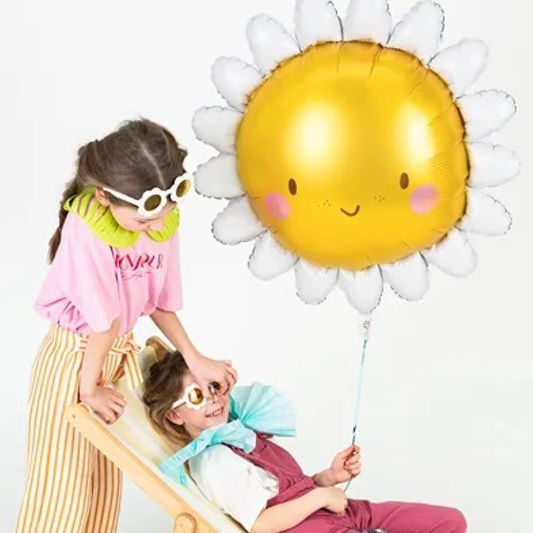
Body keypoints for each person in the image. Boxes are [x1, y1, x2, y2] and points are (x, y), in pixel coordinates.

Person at [15, 119, 237, 533]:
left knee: (102, 492)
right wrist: (88, 389)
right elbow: (105, 319)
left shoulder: (159, 218)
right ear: (103, 195)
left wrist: (195, 358)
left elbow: (158, 303)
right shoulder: (87, 228)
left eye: (162, 216)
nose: (154, 227)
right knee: (61, 494)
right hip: (74, 361)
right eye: (143, 221)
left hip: (113, 359)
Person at [144, 351, 467, 533]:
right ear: (174, 415)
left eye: (213, 386)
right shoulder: (214, 461)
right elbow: (261, 524)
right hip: (306, 529)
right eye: (196, 396)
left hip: (334, 511)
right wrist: (321, 496)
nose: (213, 398)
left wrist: (328, 477)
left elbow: (285, 489)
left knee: (451, 522)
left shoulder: (241, 437)